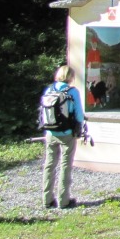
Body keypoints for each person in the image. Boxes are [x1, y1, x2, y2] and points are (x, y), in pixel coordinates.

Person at [41, 64, 85, 209]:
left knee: (49, 165)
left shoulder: (49, 90)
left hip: (50, 132)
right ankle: (63, 200)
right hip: (66, 133)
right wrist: (79, 126)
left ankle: (47, 199)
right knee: (65, 165)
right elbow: (79, 114)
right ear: (71, 77)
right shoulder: (72, 92)